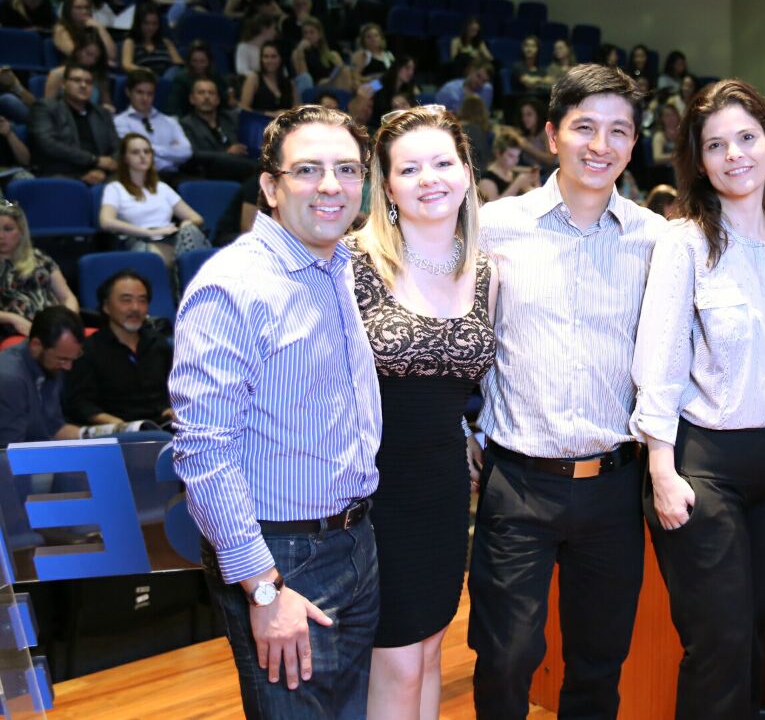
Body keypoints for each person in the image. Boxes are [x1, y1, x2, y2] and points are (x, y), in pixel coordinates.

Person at [468, 64, 667, 718]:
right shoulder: (496, 227)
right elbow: (453, 339)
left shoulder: (655, 239)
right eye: (584, 127)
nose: (600, 145)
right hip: (519, 479)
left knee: (598, 664)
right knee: (506, 657)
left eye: (618, 131)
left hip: (614, 485)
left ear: (634, 144)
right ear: (552, 133)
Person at [170, 105, 382, 717]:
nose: (330, 185)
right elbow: (204, 452)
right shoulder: (233, 286)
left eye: (347, 169)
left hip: (354, 542)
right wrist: (264, 591)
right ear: (269, 185)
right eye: (307, 169)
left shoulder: (336, 268)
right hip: (282, 558)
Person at [631, 79, 765, 718]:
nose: (734, 155)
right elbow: (658, 362)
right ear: (699, 158)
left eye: (747, 138)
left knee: (749, 630)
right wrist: (660, 470)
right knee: (717, 640)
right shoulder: (683, 241)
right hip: (705, 466)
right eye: (716, 145)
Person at [347, 106, 496, 719]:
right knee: (397, 658)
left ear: (466, 171)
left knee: (432, 646)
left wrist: (469, 432)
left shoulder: (484, 267)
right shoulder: (353, 260)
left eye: (442, 162)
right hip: (374, 488)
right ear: (386, 185)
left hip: (442, 484)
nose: (428, 178)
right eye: (409, 168)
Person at [64, 269, 173, 426]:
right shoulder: (89, 350)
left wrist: (170, 409)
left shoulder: (159, 344)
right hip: (116, 431)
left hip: (163, 426)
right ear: (106, 306)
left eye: (142, 300)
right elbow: (80, 403)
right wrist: (116, 425)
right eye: (126, 300)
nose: (135, 308)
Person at [99, 133, 207, 265]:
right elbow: (106, 221)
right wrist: (147, 232)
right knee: (151, 253)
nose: (143, 156)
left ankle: (192, 278)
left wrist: (187, 223)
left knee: (191, 231)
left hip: (170, 237)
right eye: (135, 152)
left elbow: (196, 218)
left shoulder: (162, 187)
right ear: (125, 158)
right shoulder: (115, 188)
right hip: (139, 239)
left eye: (147, 151)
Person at [0, 305, 85, 446]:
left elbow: (54, 428)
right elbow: (9, 451)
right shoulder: (9, 379)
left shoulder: (48, 363)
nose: (68, 367)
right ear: (36, 345)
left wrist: (92, 436)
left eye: (73, 358)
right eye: (62, 359)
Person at [28, 63, 118, 183]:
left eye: (89, 82)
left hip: (101, 174)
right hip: (61, 174)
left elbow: (117, 147)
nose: (83, 85)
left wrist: (102, 170)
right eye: (77, 80)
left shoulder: (102, 113)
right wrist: (93, 160)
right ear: (64, 84)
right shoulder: (46, 107)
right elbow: (48, 144)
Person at [0, 201, 79, 337]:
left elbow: (66, 296)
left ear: (21, 231)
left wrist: (67, 320)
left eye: (8, 229)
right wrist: (12, 319)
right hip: (14, 333)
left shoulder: (39, 257)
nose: (1, 236)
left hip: (55, 328)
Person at [114, 68, 193, 174]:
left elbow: (186, 152)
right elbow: (134, 154)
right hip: (140, 175)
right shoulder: (120, 122)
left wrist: (150, 149)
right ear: (128, 92)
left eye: (149, 94)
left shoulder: (170, 121)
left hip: (174, 175)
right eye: (140, 92)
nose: (145, 98)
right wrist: (171, 150)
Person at [180, 79, 258, 181]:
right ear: (192, 99)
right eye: (201, 93)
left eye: (211, 93)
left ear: (218, 99)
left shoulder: (231, 118)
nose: (206, 97)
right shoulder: (186, 124)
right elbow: (193, 154)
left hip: (239, 167)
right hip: (207, 171)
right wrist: (226, 153)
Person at [168, 40, 236, 116]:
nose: (198, 65)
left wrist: (230, 96)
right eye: (194, 61)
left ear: (209, 61)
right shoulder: (181, 79)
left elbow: (225, 91)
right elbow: (173, 107)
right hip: (190, 119)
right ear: (189, 61)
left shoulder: (214, 74)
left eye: (202, 61)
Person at [52, 0, 118, 64]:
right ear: (68, 10)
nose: (84, 11)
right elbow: (76, 55)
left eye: (87, 7)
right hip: (73, 69)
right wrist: (103, 61)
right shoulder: (61, 29)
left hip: (97, 67)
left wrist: (100, 28)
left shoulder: (93, 27)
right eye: (78, 8)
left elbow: (112, 55)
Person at [291, 18, 355, 92]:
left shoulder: (332, 55)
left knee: (346, 71)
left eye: (312, 32)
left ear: (319, 34)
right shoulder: (298, 53)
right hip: (315, 87)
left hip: (333, 83)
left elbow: (342, 71)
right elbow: (303, 78)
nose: (308, 36)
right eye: (305, 33)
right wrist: (301, 51)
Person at [477, 132, 539, 203]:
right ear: (498, 153)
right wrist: (517, 184)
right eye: (511, 156)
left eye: (518, 156)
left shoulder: (513, 172)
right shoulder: (486, 180)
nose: (516, 161)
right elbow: (493, 210)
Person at [121, 3, 182, 75]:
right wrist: (145, 71)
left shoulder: (166, 42)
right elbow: (127, 65)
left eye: (154, 23)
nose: (151, 28)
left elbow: (179, 64)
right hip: (145, 79)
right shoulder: (130, 42)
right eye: (146, 23)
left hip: (167, 78)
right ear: (139, 24)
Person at [241, 41, 299, 117]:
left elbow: (298, 109)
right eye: (266, 57)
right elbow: (244, 108)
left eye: (273, 56)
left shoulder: (289, 82)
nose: (269, 60)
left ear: (281, 58)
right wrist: (269, 114)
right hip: (259, 124)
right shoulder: (254, 78)